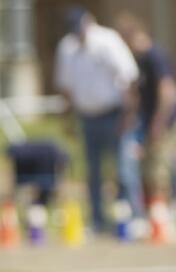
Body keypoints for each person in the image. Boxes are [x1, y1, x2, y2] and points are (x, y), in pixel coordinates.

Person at [53, 7, 139, 234]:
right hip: (87, 117)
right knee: (93, 172)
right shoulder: (67, 48)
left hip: (114, 114)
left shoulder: (107, 41)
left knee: (123, 169)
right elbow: (67, 89)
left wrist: (129, 114)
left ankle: (132, 218)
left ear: (88, 23)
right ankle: (98, 220)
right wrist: (67, 121)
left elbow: (128, 77)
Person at [113, 11, 176, 231]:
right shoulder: (139, 61)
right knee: (145, 169)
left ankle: (165, 216)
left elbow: (167, 90)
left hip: (163, 122)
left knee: (160, 170)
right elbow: (136, 93)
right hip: (147, 123)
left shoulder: (155, 56)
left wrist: (158, 123)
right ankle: (153, 216)